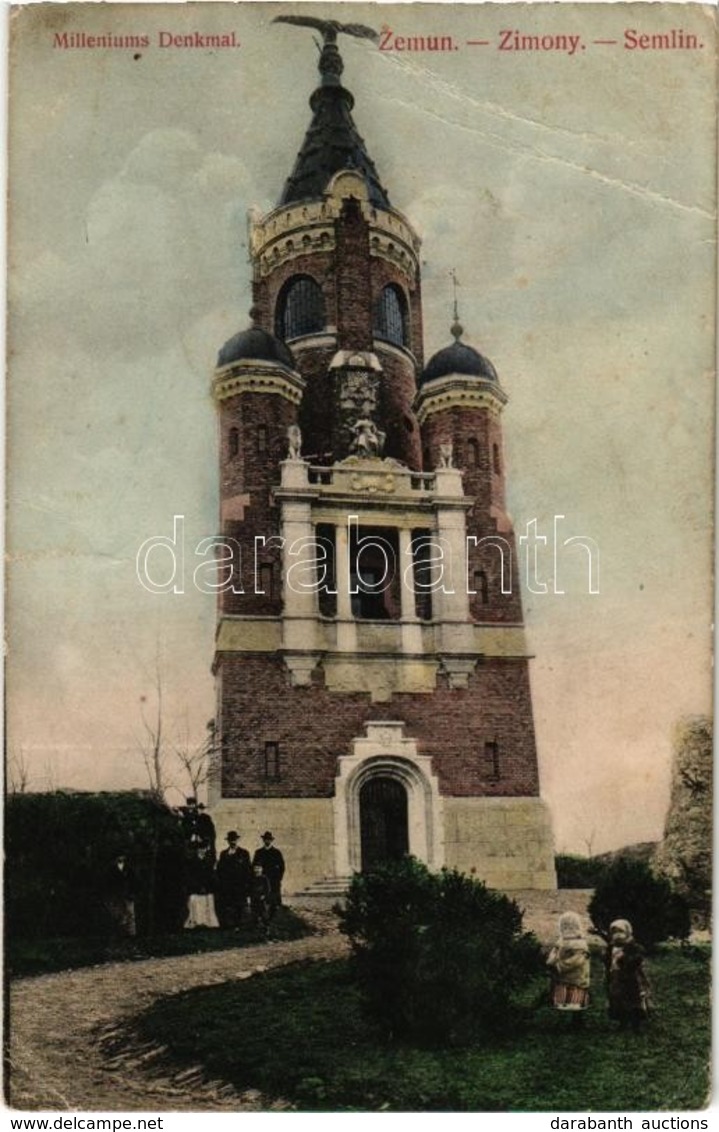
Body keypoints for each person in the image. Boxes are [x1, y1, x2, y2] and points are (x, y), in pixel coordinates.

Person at [605, 918, 652, 1030]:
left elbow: (637, 958)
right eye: (614, 932)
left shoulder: (633, 946)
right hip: (616, 977)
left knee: (633, 1000)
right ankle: (622, 1021)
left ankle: (636, 1023)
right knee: (618, 999)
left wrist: (624, 960)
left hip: (631, 978)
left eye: (620, 932)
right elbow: (607, 959)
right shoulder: (611, 947)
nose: (617, 935)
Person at [546, 912, 591, 1023]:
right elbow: (555, 952)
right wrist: (551, 961)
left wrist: (559, 966)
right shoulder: (561, 941)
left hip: (576, 976)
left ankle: (577, 1021)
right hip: (563, 977)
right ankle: (563, 1020)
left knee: (576, 998)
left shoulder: (579, 944)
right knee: (563, 998)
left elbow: (577, 960)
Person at [215, 831, 251, 929]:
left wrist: (247, 884)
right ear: (228, 841)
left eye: (234, 840)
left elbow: (248, 870)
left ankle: (239, 925)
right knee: (228, 904)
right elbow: (220, 870)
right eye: (231, 840)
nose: (233, 842)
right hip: (227, 884)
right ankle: (229, 925)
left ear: (237, 840)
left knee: (239, 905)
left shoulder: (244, 853)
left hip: (240, 884)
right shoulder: (224, 854)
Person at [184, 838, 219, 929]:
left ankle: (207, 922)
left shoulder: (209, 861)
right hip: (196, 886)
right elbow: (191, 875)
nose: (201, 851)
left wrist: (208, 884)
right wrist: (197, 885)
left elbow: (211, 874)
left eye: (203, 849)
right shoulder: (192, 861)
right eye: (199, 849)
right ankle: (196, 922)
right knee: (194, 901)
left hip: (207, 886)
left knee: (208, 901)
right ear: (196, 850)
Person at [103, 853, 136, 938]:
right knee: (117, 915)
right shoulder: (110, 869)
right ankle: (117, 933)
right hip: (116, 895)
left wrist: (131, 893)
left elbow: (133, 881)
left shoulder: (129, 868)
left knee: (128, 914)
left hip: (126, 895)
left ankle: (129, 934)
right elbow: (108, 883)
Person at [252, 831, 285, 917]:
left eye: (269, 839)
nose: (267, 841)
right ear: (263, 840)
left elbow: (282, 867)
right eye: (265, 839)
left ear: (271, 840)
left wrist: (278, 878)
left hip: (273, 880)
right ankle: (261, 917)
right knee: (262, 900)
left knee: (273, 899)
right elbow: (254, 865)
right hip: (262, 880)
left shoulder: (276, 852)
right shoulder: (258, 852)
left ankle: (274, 916)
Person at [249, 863, 271, 935]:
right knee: (254, 913)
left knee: (264, 913)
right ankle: (256, 929)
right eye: (255, 868)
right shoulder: (252, 878)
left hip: (262, 899)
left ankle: (267, 928)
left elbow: (267, 889)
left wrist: (264, 895)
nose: (257, 870)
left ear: (262, 869)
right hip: (254, 898)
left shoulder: (264, 878)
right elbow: (249, 888)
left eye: (259, 868)